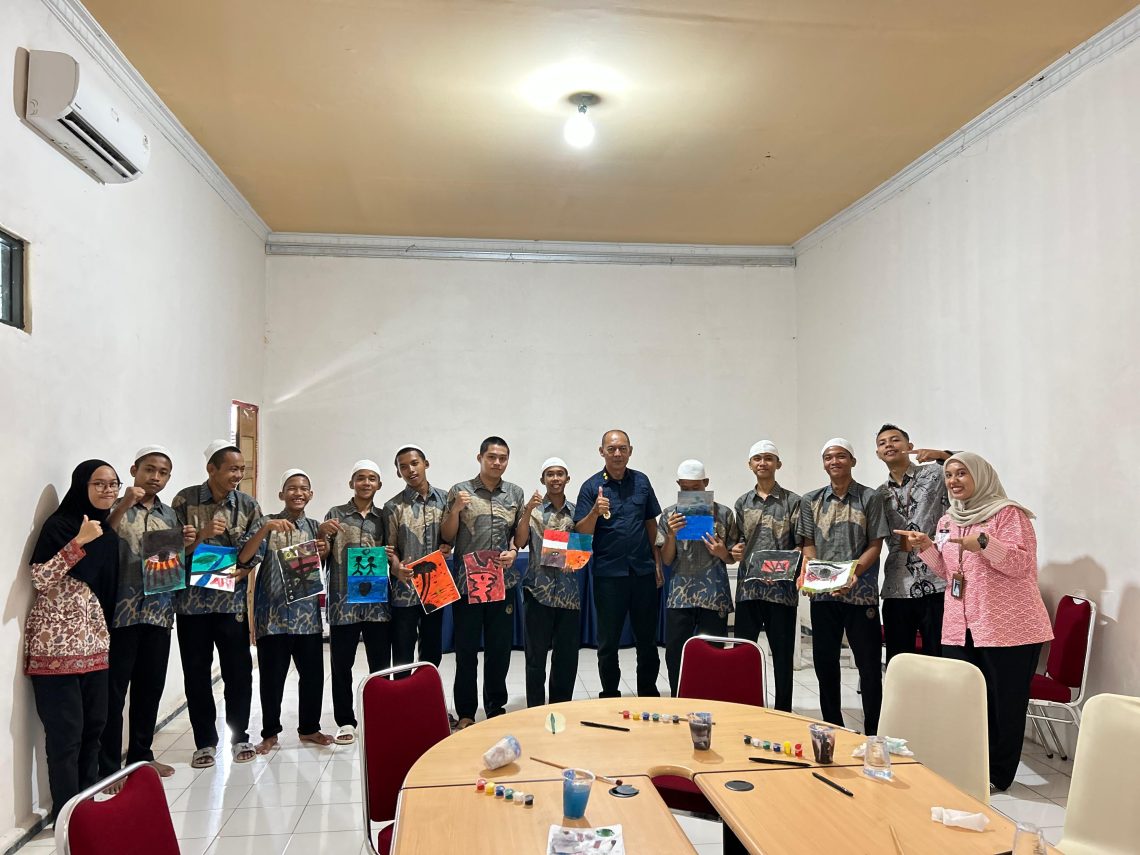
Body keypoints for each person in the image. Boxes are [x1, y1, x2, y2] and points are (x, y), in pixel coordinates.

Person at [901, 452, 1053, 792]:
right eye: (949, 475)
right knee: (962, 698)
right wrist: (926, 547)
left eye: (962, 473)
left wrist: (984, 544)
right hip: (960, 625)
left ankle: (997, 775)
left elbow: (1022, 565)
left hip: (1007, 628)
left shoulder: (1008, 514)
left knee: (1004, 706)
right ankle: (967, 765)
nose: (953, 480)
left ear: (981, 476)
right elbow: (948, 572)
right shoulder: (948, 520)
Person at [25, 460, 120, 820]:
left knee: (94, 726)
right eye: (99, 484)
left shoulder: (106, 532)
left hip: (94, 643)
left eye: (113, 484)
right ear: (82, 485)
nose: (108, 490)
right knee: (66, 734)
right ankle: (66, 814)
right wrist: (79, 542)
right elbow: (40, 578)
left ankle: (87, 804)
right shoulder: (60, 526)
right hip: (55, 646)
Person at [99, 446, 194, 782]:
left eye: (163, 472)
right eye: (149, 469)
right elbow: (99, 543)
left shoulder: (170, 516)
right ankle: (109, 767)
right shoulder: (112, 507)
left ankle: (141, 756)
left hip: (158, 612)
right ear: (134, 470)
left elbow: (170, 562)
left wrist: (188, 543)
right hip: (119, 615)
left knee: (149, 688)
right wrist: (124, 503)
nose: (156, 477)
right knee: (112, 693)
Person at [172, 440, 263, 767]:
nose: (237, 475)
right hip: (191, 605)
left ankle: (240, 738)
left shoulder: (248, 504)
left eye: (241, 469)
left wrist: (245, 570)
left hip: (231, 603)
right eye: (232, 469)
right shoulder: (185, 500)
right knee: (196, 674)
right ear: (211, 469)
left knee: (238, 673)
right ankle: (205, 743)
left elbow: (257, 547)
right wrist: (202, 534)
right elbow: (169, 551)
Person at [797, 438, 889, 734]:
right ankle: (832, 726)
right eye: (828, 457)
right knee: (825, 664)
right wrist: (814, 574)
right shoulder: (810, 500)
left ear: (852, 461)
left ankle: (874, 731)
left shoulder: (870, 497)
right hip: (824, 597)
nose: (834, 461)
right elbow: (808, 543)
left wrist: (853, 574)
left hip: (860, 596)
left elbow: (875, 544)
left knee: (869, 666)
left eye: (840, 456)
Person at [239, 469, 332, 753]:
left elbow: (321, 566)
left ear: (311, 494)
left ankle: (309, 728)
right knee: (272, 678)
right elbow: (245, 558)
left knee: (312, 676)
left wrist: (324, 548)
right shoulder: (267, 523)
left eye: (303, 488)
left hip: (307, 619)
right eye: (292, 488)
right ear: (281, 494)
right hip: (272, 618)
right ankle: (270, 733)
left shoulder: (315, 527)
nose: (298, 493)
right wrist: (264, 530)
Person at [440, 437, 525, 727]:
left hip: (502, 583)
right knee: (466, 652)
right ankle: (466, 712)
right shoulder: (460, 491)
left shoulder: (515, 493)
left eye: (503, 458)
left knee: (499, 651)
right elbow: (447, 536)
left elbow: (517, 536)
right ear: (480, 458)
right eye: (492, 457)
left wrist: (513, 551)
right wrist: (455, 510)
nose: (497, 462)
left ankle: (495, 709)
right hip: (468, 584)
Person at [574, 429, 662, 698]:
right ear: (601, 451)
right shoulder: (591, 487)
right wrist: (594, 512)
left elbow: (650, 523)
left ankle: (648, 692)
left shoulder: (642, 481)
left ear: (630, 451)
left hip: (643, 572)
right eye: (611, 449)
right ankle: (610, 693)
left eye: (622, 448)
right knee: (608, 642)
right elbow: (581, 533)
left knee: (647, 640)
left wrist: (657, 563)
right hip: (608, 576)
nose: (617, 453)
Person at [322, 459, 399, 743]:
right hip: (343, 603)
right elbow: (322, 555)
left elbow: (395, 551)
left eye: (371, 478)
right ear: (351, 483)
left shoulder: (385, 516)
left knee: (380, 663)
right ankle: (345, 721)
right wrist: (321, 536)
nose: (366, 483)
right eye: (361, 478)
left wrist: (391, 555)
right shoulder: (335, 515)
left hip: (377, 604)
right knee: (341, 665)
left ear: (379, 484)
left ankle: (379, 714)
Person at [731, 440, 801, 712]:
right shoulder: (742, 503)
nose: (763, 463)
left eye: (769, 458)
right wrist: (736, 549)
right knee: (744, 654)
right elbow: (737, 541)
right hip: (749, 590)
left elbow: (801, 544)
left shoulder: (793, 502)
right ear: (750, 465)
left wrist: (781, 569)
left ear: (778, 464)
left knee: (782, 656)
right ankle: (746, 707)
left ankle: (783, 711)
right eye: (757, 458)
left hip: (781, 591)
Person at [658, 459, 738, 697]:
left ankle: (711, 699)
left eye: (696, 488)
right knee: (675, 653)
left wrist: (722, 552)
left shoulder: (724, 514)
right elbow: (667, 560)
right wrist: (671, 535)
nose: (691, 493)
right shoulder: (669, 514)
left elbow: (732, 558)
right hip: (680, 595)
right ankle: (678, 697)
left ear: (706, 483)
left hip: (714, 595)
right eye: (685, 488)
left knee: (713, 653)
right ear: (678, 485)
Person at [875, 425, 953, 661]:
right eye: (882, 443)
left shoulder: (936, 474)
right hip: (898, 585)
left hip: (937, 579)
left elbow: (972, 468)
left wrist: (942, 455)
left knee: (939, 657)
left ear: (909, 446)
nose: (889, 445)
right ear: (878, 454)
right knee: (899, 659)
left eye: (895, 440)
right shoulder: (878, 495)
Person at [515, 457, 581, 707]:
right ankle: (534, 708)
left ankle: (561, 706)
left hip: (568, 594)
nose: (555, 478)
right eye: (550, 474)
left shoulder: (576, 512)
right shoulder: (533, 511)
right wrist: (526, 512)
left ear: (567, 479)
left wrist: (573, 558)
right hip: (537, 592)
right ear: (542, 479)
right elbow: (520, 541)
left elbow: (582, 546)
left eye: (560, 474)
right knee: (535, 658)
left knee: (566, 658)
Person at [384, 446, 450, 675]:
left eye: (414, 463)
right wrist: (396, 568)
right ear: (398, 472)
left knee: (432, 651)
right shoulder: (393, 507)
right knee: (403, 652)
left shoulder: (445, 499)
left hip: (436, 584)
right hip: (405, 587)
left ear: (425, 464)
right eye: (403, 467)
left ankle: (425, 694)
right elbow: (389, 548)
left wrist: (448, 545)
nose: (410, 470)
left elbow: (450, 535)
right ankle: (403, 697)